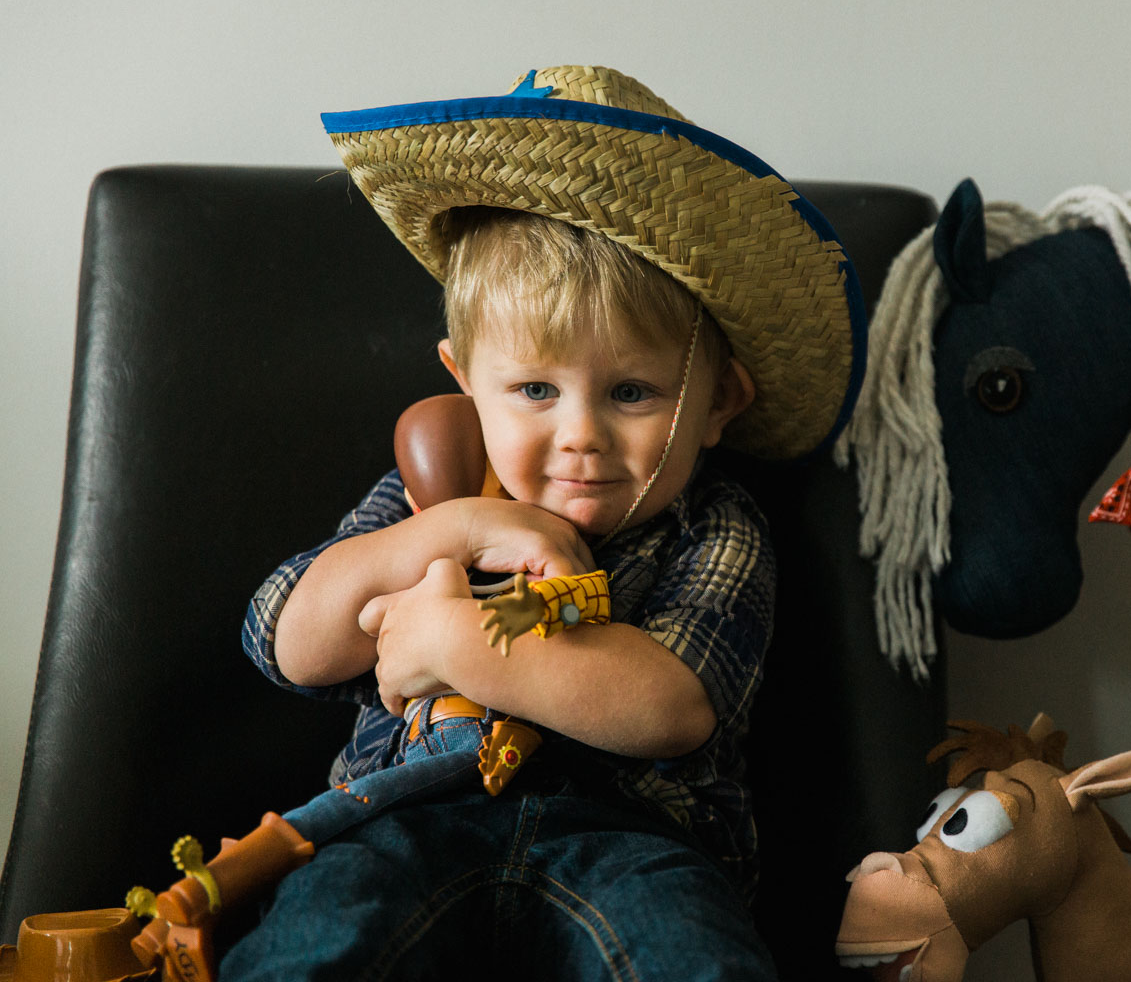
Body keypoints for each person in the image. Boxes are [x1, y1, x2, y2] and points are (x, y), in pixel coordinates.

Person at [132, 66, 864, 981]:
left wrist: (459, 640)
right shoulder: (423, 499)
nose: (581, 437)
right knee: (311, 946)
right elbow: (287, 641)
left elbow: (670, 708)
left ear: (720, 402)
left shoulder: (712, 528)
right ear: (464, 383)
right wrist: (449, 535)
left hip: (628, 839)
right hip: (399, 821)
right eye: (534, 391)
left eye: (632, 392)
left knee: (692, 957)